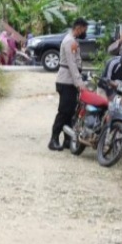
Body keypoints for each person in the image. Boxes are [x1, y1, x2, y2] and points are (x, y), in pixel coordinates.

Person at [49, 18, 88, 151]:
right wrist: (79, 83)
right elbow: (72, 65)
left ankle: (67, 140)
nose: (85, 32)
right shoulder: (70, 41)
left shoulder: (73, 40)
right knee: (64, 111)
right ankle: (53, 139)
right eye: (84, 29)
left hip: (69, 81)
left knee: (71, 112)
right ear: (79, 27)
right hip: (66, 81)